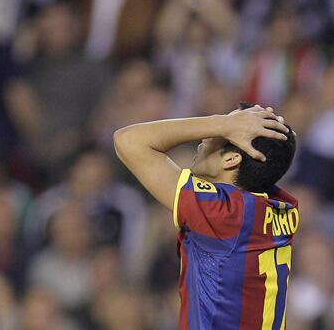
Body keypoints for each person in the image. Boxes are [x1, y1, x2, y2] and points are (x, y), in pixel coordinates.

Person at [114, 102, 297, 330]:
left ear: (232, 159)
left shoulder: (223, 214)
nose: (205, 137)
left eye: (219, 134)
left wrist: (221, 123)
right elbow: (275, 155)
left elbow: (128, 140)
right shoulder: (282, 204)